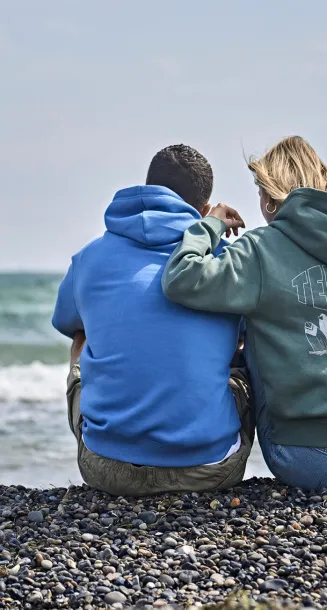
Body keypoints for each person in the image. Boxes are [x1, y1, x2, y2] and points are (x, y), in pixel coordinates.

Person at [162, 136, 327, 490]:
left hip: (311, 459)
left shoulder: (260, 248)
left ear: (270, 197)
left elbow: (181, 279)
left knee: (252, 334)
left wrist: (211, 224)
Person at [52, 144, 254, 497]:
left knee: (83, 335)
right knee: (242, 350)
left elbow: (67, 323)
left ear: (147, 186)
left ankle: (120, 434)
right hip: (209, 470)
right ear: (204, 211)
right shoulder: (224, 261)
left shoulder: (89, 258)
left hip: (106, 468)